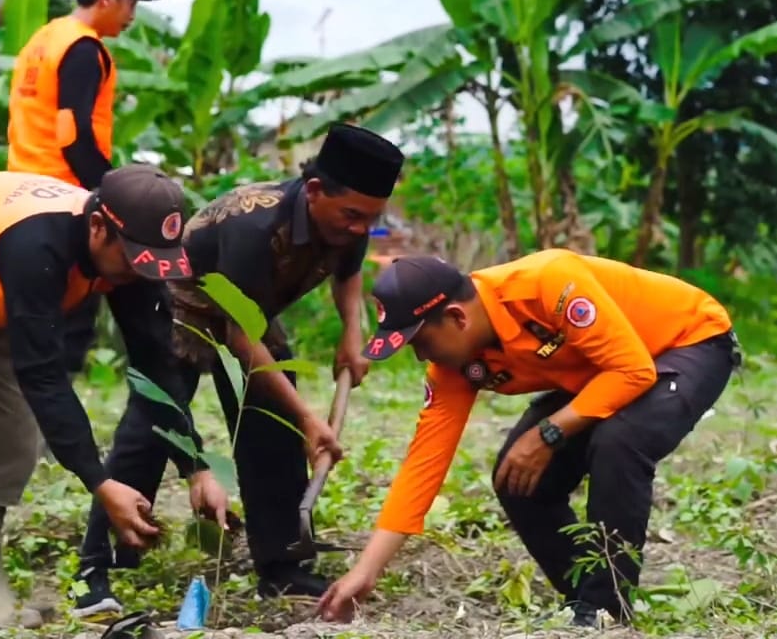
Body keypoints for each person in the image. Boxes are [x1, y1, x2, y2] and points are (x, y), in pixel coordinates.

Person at [0, 165, 229, 626]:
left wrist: (195, 466)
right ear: (98, 227)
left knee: (13, 439)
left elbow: (155, 363)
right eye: (134, 258)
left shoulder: (133, 260)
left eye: (151, 261)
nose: (141, 271)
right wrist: (101, 481)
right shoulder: (39, 247)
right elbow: (44, 376)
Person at [71, 123, 406, 618]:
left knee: (270, 425)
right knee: (154, 425)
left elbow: (349, 270)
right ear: (315, 191)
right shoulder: (257, 224)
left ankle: (282, 565)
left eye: (370, 218)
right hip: (183, 304)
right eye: (354, 216)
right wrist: (310, 421)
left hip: (250, 311)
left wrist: (350, 335)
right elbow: (239, 338)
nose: (360, 228)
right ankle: (99, 566)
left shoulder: (350, 219)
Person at [317, 250, 741, 628]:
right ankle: (584, 598)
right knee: (515, 476)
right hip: (603, 370)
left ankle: (606, 609)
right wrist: (367, 570)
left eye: (420, 341)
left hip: (689, 342)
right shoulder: (453, 365)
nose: (421, 356)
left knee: (618, 441)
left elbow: (632, 372)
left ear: (457, 318)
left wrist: (549, 432)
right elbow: (424, 463)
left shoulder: (547, 284)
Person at [7, 0, 161, 376]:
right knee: (77, 325)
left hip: (22, 192)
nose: (134, 15)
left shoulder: (44, 38)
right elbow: (72, 133)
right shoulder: (82, 49)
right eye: (133, 2)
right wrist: (110, 196)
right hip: (65, 196)